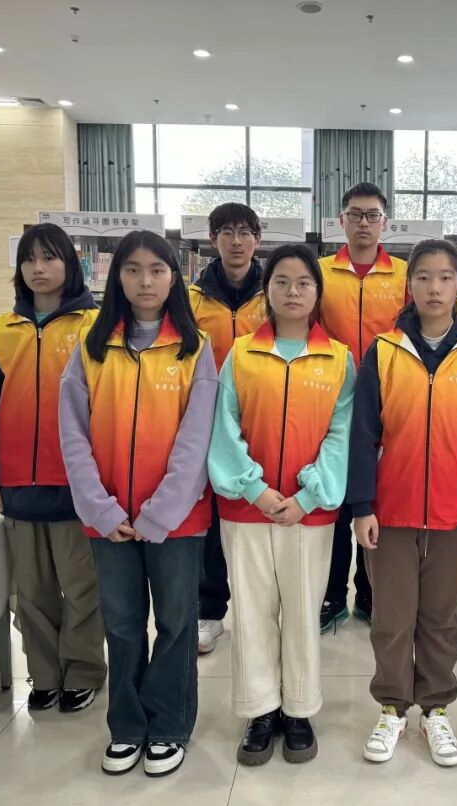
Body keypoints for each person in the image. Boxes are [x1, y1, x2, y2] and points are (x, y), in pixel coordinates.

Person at [59, 230, 217, 779]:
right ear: (116, 276)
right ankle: (126, 726)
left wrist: (160, 512)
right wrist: (101, 509)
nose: (144, 281)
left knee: (176, 624)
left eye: (156, 270)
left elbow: (197, 440)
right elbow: (73, 435)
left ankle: (169, 725)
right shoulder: (92, 347)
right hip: (108, 521)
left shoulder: (195, 348)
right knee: (123, 625)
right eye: (132, 269)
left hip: (176, 520)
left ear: (175, 277)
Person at [349, 239, 457, 768]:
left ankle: (435, 708)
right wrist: (362, 505)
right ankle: (392, 707)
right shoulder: (384, 350)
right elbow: (363, 434)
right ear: (409, 285)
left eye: (444, 277)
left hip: (454, 515)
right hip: (390, 513)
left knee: (441, 619)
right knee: (391, 618)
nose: (434, 288)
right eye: (423, 277)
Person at [209, 244, 355, 766]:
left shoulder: (339, 359)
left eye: (303, 283)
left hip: (309, 514)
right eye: (282, 282)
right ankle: (259, 709)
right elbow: (223, 426)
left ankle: (298, 709)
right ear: (266, 290)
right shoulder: (241, 354)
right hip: (246, 509)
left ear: (318, 292)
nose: (293, 292)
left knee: (301, 610)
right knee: (251, 612)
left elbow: (341, 434)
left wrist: (308, 495)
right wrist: (254, 489)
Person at [0, 223, 106, 715]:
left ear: (70, 264)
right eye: (29, 259)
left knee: (83, 588)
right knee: (31, 591)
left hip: (76, 485)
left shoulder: (95, 326)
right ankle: (45, 674)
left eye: (49, 258)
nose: (38, 268)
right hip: (17, 485)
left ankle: (84, 672)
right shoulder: (3, 333)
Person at [318, 182, 408, 633]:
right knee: (334, 501)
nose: (363, 223)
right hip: (328, 400)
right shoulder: (319, 272)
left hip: (388, 402)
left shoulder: (405, 275)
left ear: (384, 222)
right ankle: (332, 595)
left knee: (377, 498)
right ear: (341, 220)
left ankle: (370, 592)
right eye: (355, 215)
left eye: (372, 215)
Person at [189, 202, 268, 656]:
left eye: (244, 232)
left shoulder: (274, 292)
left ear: (257, 238)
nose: (236, 241)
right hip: (204, 423)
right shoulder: (191, 299)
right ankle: (211, 611)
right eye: (226, 232)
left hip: (260, 419)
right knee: (210, 519)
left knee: (256, 513)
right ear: (212, 239)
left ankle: (262, 611)